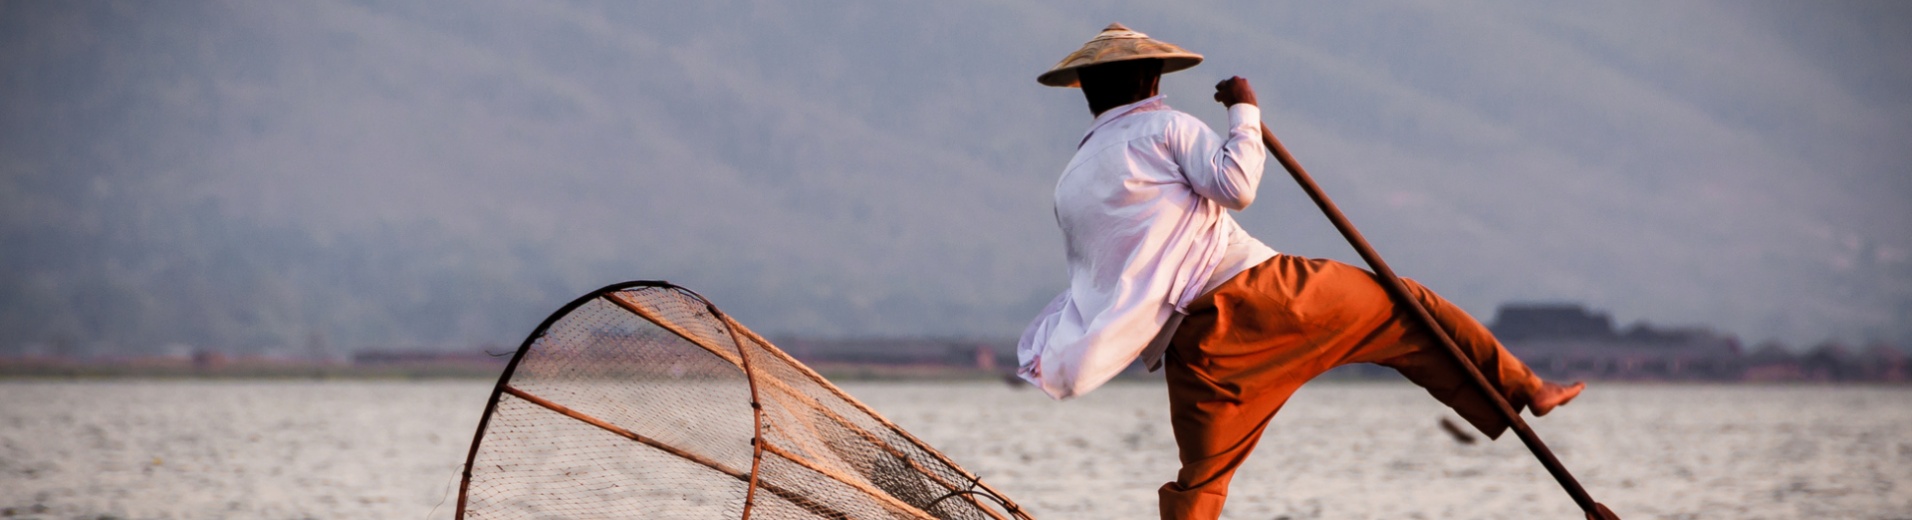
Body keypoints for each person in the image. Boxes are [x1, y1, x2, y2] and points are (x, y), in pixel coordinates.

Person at [1017, 23, 1586, 520]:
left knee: (1203, 480)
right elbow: (1236, 186)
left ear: (1088, 92)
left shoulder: (1072, 179)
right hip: (1266, 297)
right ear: (1151, 81)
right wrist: (1245, 109)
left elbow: (1101, 279)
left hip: (1196, 348)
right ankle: (1523, 387)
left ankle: (1516, 391)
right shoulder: (1166, 128)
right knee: (1409, 307)